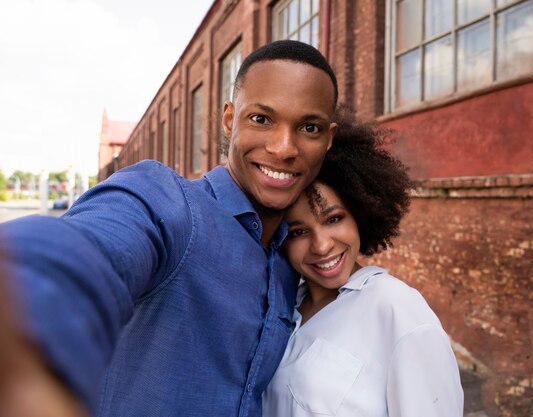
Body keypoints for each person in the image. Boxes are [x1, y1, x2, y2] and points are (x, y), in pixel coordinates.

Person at [0, 40, 337, 417]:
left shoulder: (291, 262)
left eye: (309, 127)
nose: (283, 148)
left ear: (328, 139)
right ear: (230, 119)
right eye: (261, 119)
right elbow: (86, 249)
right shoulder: (167, 204)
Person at [263, 108, 464, 416]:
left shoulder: (398, 310)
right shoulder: (286, 306)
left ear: (360, 214)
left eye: (334, 218)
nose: (322, 245)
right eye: (299, 232)